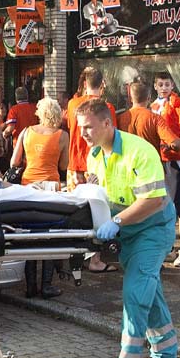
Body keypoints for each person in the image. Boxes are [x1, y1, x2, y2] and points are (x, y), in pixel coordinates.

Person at [76, 99, 179, 358]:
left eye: (88, 127)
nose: (83, 133)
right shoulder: (94, 154)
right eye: (80, 127)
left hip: (153, 228)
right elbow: (99, 194)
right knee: (148, 291)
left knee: (136, 292)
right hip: (128, 231)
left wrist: (117, 222)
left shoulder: (140, 151)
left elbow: (154, 201)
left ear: (107, 124)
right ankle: (166, 357)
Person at [10, 97, 69, 299]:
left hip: (29, 186)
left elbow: (14, 161)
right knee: (49, 235)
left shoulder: (26, 132)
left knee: (29, 235)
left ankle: (30, 286)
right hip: (51, 186)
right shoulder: (62, 136)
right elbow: (64, 166)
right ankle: (46, 285)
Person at [66, 67, 116, 273]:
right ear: (102, 85)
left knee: (75, 212)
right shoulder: (107, 108)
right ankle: (95, 259)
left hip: (73, 164)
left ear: (84, 83)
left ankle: (74, 255)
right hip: (94, 165)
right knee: (97, 212)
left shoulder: (71, 104)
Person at [150, 71, 180, 267]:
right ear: (155, 86)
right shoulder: (152, 106)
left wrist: (179, 142)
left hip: (176, 160)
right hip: (157, 159)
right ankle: (168, 247)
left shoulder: (178, 103)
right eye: (160, 84)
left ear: (173, 85)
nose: (164, 87)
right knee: (161, 205)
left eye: (167, 84)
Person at [117, 81, 180, 154]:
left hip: (128, 164)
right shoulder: (155, 119)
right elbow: (176, 145)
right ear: (148, 98)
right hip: (150, 163)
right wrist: (169, 147)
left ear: (131, 99)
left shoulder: (119, 118)